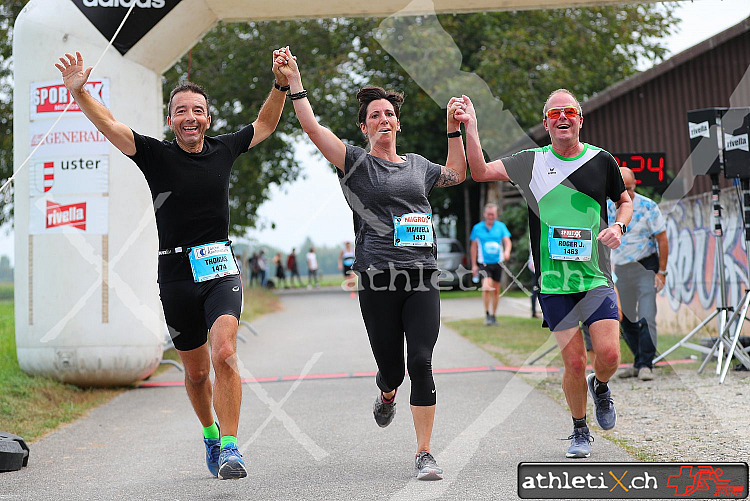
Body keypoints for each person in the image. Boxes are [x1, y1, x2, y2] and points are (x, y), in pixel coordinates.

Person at [55, 49, 288, 479]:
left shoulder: (224, 149)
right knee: (197, 374)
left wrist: (281, 84)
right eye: (181, 111)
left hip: (220, 269)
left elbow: (266, 124)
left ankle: (233, 448)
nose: (190, 117)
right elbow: (110, 125)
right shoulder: (155, 155)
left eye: (198, 110)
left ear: (208, 119)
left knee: (225, 352)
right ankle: (211, 435)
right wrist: (80, 93)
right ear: (171, 120)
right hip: (176, 276)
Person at [276, 46, 467, 480]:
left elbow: (456, 172)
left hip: (421, 275)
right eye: (375, 115)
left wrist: (453, 128)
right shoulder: (355, 163)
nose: (384, 119)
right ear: (365, 127)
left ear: (397, 122)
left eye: (389, 114)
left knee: (421, 360)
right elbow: (312, 128)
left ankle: (424, 453)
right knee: (393, 369)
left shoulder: (419, 166)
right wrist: (295, 83)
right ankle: (385, 393)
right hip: (378, 280)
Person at [458, 89, 632, 459]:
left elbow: (625, 200)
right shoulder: (532, 162)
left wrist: (619, 227)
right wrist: (470, 128)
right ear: (546, 123)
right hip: (554, 283)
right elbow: (481, 171)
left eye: (570, 112)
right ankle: (580, 430)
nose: (563, 118)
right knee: (572, 361)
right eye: (555, 114)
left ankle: (600, 387)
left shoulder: (601, 160)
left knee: (610, 355)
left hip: (596, 277)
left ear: (580, 120)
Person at [611, 167, 668, 381]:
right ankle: (637, 360)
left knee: (646, 314)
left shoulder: (648, 206)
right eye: (622, 189)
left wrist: (662, 272)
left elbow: (662, 238)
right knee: (625, 318)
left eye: (630, 188)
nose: (627, 193)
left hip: (645, 265)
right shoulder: (608, 207)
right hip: (622, 268)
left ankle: (646, 364)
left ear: (635, 185)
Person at [470, 203, 512, 325]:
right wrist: (474, 265)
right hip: (484, 263)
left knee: (496, 290)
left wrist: (507, 251)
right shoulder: (477, 228)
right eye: (489, 214)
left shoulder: (501, 227)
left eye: (493, 214)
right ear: (484, 214)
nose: (491, 216)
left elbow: (507, 242)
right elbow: (473, 247)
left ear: (496, 215)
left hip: (498, 262)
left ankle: (493, 315)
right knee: (487, 287)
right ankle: (487, 314)